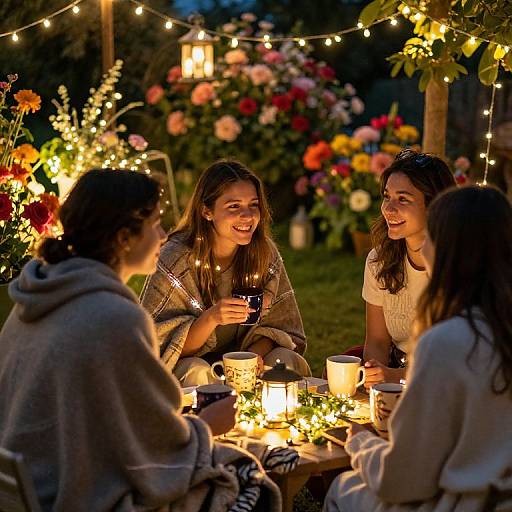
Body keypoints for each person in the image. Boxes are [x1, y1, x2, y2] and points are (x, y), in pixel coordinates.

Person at [0, 169, 280, 511]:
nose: (164, 236)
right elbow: (157, 444)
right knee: (248, 483)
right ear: (124, 237)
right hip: (77, 493)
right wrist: (208, 425)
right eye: (156, 224)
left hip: (26, 484)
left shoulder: (39, 297)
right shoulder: (113, 316)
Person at [324, 185, 512, 512]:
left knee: (343, 488)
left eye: (431, 241)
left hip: (469, 502)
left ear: (450, 253)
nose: (423, 252)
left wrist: (360, 443)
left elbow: (403, 480)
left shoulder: (447, 342)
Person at [141, 160, 311, 386]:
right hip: (191, 362)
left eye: (253, 204)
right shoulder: (177, 259)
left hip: (243, 359)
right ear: (206, 211)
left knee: (287, 361)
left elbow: (278, 327)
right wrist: (212, 318)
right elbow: (163, 345)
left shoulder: (263, 253)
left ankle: (277, 419)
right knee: (197, 374)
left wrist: (254, 355)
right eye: (234, 206)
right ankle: (205, 421)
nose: (248, 215)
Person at [362, 150, 455, 388]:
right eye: (387, 197)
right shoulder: (379, 261)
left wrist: (393, 378)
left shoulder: (460, 265)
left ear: (434, 204)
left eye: (403, 199)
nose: (388, 209)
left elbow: (458, 356)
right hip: (397, 366)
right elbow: (377, 340)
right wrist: (375, 375)